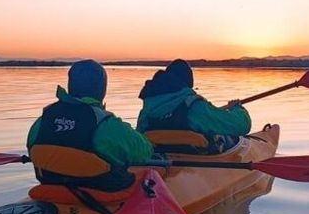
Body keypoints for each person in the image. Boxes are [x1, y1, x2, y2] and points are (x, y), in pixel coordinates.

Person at [27, 59, 154, 191]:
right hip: (101, 197)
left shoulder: (41, 121)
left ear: (70, 86)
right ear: (102, 89)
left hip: (52, 189)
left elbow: (31, 151)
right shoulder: (106, 125)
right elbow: (145, 152)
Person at [137, 59, 252, 153]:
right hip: (195, 159)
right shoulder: (194, 106)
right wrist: (238, 108)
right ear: (188, 83)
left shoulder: (147, 110)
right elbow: (242, 125)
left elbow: (139, 139)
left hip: (160, 161)